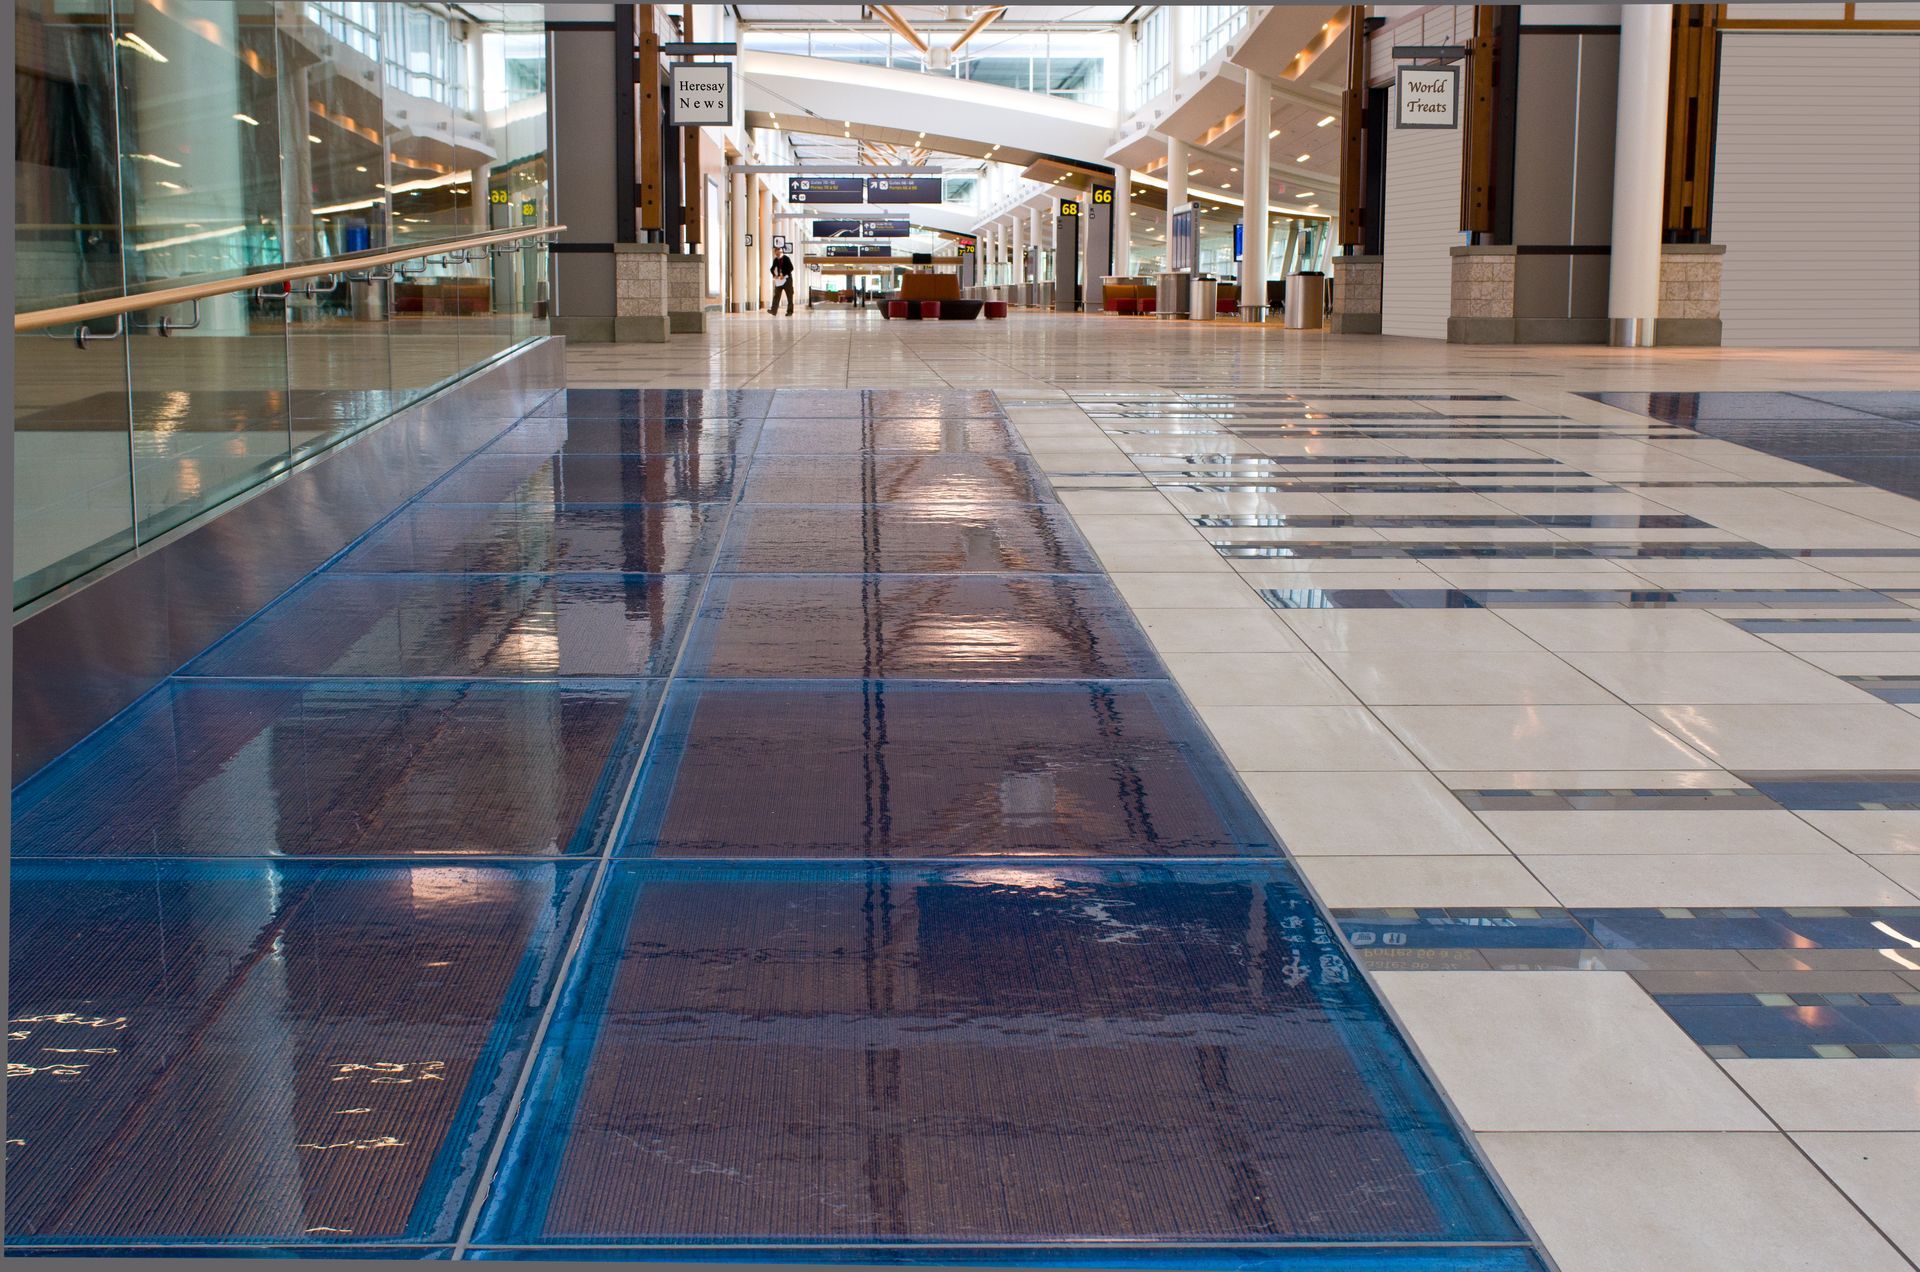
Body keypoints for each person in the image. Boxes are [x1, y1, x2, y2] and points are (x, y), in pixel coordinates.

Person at [768, 249, 794, 315]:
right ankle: (773, 311)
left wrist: (784, 274)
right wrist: (774, 275)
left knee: (789, 296)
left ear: (780, 252)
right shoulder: (776, 260)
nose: (777, 255)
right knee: (776, 295)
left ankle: (789, 312)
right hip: (780, 280)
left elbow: (791, 268)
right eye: (776, 254)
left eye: (778, 254)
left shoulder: (786, 258)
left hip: (787, 279)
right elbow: (771, 269)